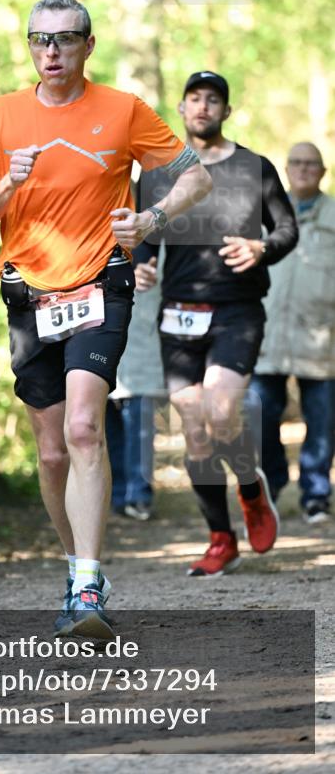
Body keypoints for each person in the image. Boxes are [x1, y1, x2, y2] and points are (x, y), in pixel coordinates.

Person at [0, 0, 212, 636]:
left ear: (88, 45)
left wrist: (152, 218)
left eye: (65, 40)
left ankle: (85, 587)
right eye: (39, 40)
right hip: (28, 294)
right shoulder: (3, 115)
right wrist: (8, 185)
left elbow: (196, 179)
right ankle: (78, 564)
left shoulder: (122, 109)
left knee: (82, 429)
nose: (51, 52)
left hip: (103, 282)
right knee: (51, 455)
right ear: (29, 47)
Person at [134, 70, 299, 576]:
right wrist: (141, 262)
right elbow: (145, 237)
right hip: (178, 313)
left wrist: (262, 247)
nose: (202, 107)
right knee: (196, 433)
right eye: (193, 99)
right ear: (181, 110)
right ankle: (220, 539)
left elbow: (287, 229)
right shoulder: (159, 174)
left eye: (213, 100)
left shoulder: (255, 167)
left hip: (237, 311)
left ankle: (250, 489)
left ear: (226, 111)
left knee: (222, 412)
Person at [250, 143, 334, 524]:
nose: (303, 169)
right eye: (296, 163)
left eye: (310, 164)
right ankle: (275, 479)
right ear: (286, 169)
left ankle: (316, 493)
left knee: (322, 420)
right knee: (261, 415)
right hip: (267, 335)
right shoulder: (263, 214)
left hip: (323, 337)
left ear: (323, 171)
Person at [106, 251, 165, 521]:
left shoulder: (157, 246)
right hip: (103, 357)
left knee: (139, 433)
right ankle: (118, 496)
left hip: (144, 355)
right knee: (109, 434)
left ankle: (139, 496)